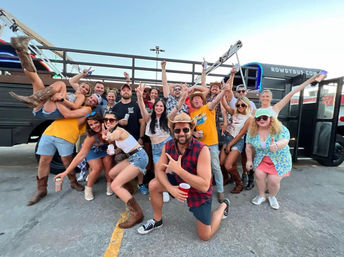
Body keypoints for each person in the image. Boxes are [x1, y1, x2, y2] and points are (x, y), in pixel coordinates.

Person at [137, 113, 230, 241]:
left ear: (192, 130)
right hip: (179, 183)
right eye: (177, 130)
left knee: (205, 236)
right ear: (173, 132)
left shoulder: (202, 149)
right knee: (153, 185)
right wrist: (170, 188)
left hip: (198, 189)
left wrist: (179, 171)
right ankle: (157, 220)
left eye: (185, 129)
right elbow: (159, 170)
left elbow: (204, 186)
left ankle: (223, 206)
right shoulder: (168, 146)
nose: (181, 133)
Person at [9, 36, 92, 119]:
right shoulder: (75, 91)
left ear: (87, 93)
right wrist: (82, 74)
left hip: (55, 110)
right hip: (41, 108)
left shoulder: (81, 96)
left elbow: (75, 106)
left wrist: (61, 99)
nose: (84, 89)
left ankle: (35, 99)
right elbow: (72, 81)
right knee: (37, 81)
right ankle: (22, 50)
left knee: (61, 84)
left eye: (86, 90)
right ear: (79, 86)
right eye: (83, 86)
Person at [136, 83, 186, 202]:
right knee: (158, 173)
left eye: (161, 106)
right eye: (157, 106)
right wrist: (139, 96)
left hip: (168, 147)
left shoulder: (168, 119)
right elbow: (142, 108)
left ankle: (174, 189)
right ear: (154, 107)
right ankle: (163, 190)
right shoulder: (149, 119)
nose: (159, 108)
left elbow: (177, 107)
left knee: (170, 170)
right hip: (155, 149)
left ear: (164, 108)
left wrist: (184, 96)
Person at [104, 113, 149, 229]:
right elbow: (122, 145)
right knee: (112, 173)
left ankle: (137, 213)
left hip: (139, 157)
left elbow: (112, 137)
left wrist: (106, 134)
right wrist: (114, 151)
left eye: (111, 120)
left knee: (115, 186)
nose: (108, 122)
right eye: (106, 120)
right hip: (132, 156)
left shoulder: (119, 131)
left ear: (117, 121)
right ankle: (128, 190)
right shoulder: (115, 131)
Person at [54, 113, 113, 201]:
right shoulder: (91, 137)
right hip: (92, 150)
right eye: (91, 125)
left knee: (108, 163)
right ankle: (88, 188)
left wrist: (108, 135)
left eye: (96, 123)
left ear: (102, 122)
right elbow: (81, 155)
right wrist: (65, 172)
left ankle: (109, 184)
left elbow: (115, 145)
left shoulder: (110, 130)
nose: (94, 126)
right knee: (97, 167)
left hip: (105, 149)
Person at [189, 83, 231, 203]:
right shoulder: (192, 115)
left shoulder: (208, 107)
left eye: (198, 98)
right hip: (200, 146)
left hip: (212, 144)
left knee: (216, 168)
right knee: (202, 169)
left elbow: (216, 100)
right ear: (192, 102)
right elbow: (190, 130)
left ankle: (220, 191)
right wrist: (194, 134)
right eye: (194, 99)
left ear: (202, 100)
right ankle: (204, 189)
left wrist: (223, 91)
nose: (196, 99)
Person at [245, 108, 292, 210]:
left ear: (271, 119)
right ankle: (261, 195)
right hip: (262, 159)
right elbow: (248, 146)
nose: (261, 120)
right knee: (258, 175)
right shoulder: (252, 131)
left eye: (265, 118)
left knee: (273, 180)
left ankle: (272, 196)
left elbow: (285, 140)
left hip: (279, 160)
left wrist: (276, 144)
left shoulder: (280, 128)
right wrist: (249, 160)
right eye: (258, 118)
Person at [220, 96, 252, 193]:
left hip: (237, 141)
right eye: (238, 105)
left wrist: (230, 145)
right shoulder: (234, 112)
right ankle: (226, 178)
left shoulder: (249, 118)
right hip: (227, 138)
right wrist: (222, 92)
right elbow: (225, 105)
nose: (240, 107)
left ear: (247, 105)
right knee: (221, 163)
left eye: (243, 105)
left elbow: (241, 134)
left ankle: (239, 184)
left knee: (228, 165)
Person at [259, 73, 326, 117]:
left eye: (267, 96)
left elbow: (293, 92)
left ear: (271, 98)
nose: (265, 98)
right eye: (263, 96)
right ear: (260, 98)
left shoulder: (275, 108)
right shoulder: (256, 111)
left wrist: (311, 80)